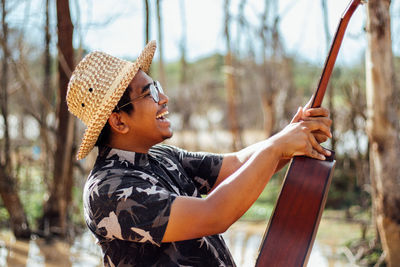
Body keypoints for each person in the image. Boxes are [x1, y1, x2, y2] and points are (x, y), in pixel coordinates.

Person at [67, 40, 332, 267]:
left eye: (157, 87)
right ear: (119, 121)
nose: (164, 99)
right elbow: (214, 215)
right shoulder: (107, 190)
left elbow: (238, 164)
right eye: (151, 93)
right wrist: (278, 147)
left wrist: (292, 133)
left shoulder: (162, 157)